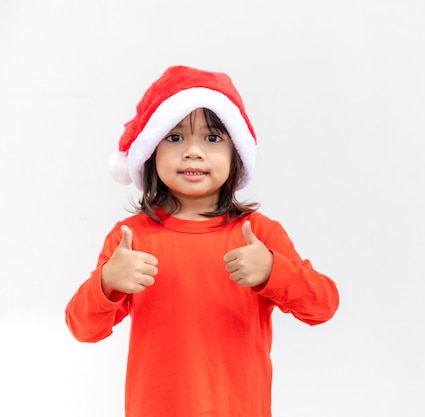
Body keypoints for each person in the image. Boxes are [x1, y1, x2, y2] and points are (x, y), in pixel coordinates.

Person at [65, 65, 340, 417]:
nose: (193, 152)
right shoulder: (131, 239)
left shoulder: (259, 235)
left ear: (235, 154)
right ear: (150, 151)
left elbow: (322, 306)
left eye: (212, 138)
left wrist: (274, 270)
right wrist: (106, 282)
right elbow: (83, 328)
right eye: (175, 137)